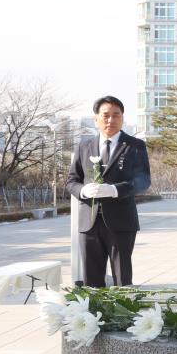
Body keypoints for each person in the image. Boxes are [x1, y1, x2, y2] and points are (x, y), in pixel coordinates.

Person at [67, 96, 151, 287]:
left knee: (122, 278)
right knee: (91, 279)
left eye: (116, 115)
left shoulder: (135, 146)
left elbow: (143, 181)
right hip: (89, 222)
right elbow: (72, 181)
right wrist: (83, 191)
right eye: (105, 115)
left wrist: (114, 190)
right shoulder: (84, 146)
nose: (110, 120)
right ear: (96, 119)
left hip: (121, 222)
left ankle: (123, 316)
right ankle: (93, 317)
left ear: (122, 118)